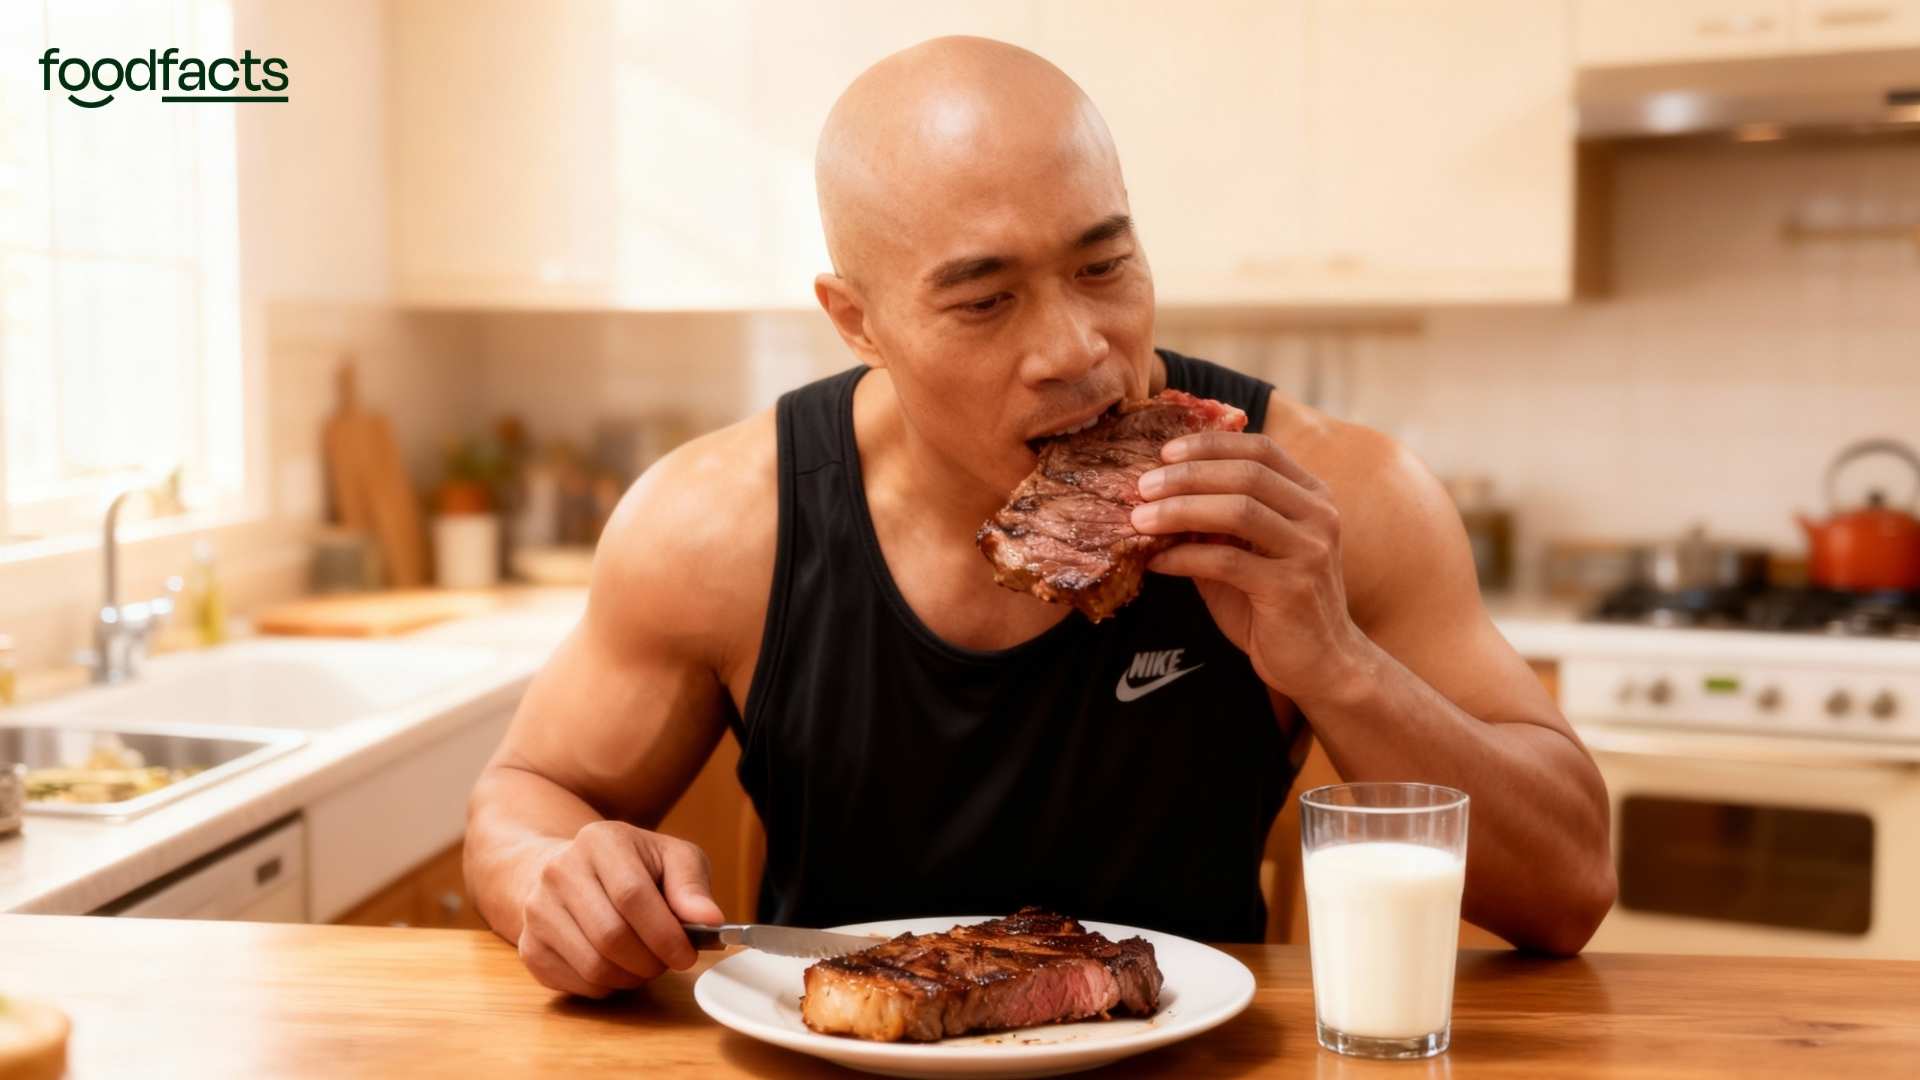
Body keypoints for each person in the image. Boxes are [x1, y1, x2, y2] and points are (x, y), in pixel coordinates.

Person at [466, 36, 1615, 998]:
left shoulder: (1332, 496)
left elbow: (1568, 891)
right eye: (984, 300)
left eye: (1104, 267)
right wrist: (555, 881)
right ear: (856, 321)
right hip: (838, 1058)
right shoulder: (723, 524)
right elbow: (522, 804)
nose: (1076, 351)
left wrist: (1338, 662)